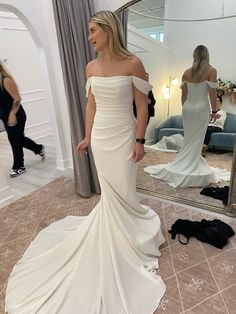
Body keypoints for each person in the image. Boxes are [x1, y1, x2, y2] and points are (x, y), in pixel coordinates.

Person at [5, 11, 165, 313]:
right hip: (102, 139)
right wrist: (87, 137)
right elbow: (90, 104)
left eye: (93, 31)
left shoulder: (133, 64)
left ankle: (129, 236)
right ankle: (118, 237)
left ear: (107, 30)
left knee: (125, 191)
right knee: (109, 193)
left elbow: (142, 107)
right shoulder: (91, 67)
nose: (89, 37)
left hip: (124, 135)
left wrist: (140, 140)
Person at [144, 45, 230, 187]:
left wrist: (186, 109)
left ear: (194, 56)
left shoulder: (186, 72)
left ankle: (187, 162)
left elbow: (183, 96)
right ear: (206, 55)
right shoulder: (211, 71)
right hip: (201, 109)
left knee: (190, 138)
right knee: (196, 139)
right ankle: (191, 164)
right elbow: (212, 93)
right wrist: (215, 111)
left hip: (188, 108)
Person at [0, 61, 45, 178]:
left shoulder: (5, 80)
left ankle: (19, 166)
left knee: (15, 141)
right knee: (19, 139)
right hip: (6, 117)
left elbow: (17, 99)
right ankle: (38, 148)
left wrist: (12, 114)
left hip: (16, 115)